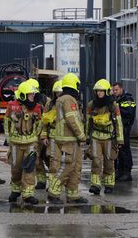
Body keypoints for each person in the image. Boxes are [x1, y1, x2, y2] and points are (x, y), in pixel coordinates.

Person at [45, 74, 88, 204]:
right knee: (68, 167)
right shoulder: (68, 99)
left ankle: (73, 194)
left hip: (68, 138)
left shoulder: (62, 98)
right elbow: (72, 119)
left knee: (76, 167)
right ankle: (54, 192)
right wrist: (82, 135)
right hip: (69, 138)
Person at [4, 81, 43, 204]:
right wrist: (9, 139)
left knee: (30, 169)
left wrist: (35, 138)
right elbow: (6, 123)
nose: (32, 96)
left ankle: (28, 194)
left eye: (32, 94)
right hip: (15, 144)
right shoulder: (12, 106)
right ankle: (15, 190)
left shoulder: (37, 107)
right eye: (30, 94)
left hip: (30, 144)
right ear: (23, 95)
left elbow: (39, 124)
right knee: (15, 168)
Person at [86, 79, 124, 195]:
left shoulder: (113, 105)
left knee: (109, 162)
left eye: (102, 91)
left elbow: (118, 122)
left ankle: (109, 185)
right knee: (96, 161)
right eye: (98, 91)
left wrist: (120, 139)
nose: (99, 93)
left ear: (107, 92)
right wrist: (87, 136)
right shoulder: (91, 105)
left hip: (109, 138)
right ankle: (95, 185)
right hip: (96, 137)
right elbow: (88, 121)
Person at [35, 80, 61, 190]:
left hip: (60, 137)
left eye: (60, 93)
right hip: (45, 136)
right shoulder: (49, 104)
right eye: (57, 93)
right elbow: (44, 122)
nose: (58, 95)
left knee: (53, 160)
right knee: (39, 158)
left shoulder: (67, 104)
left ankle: (53, 184)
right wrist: (44, 136)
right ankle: (43, 181)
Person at [112, 82, 136, 182]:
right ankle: (120, 171)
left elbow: (129, 113)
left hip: (125, 127)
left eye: (116, 90)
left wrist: (117, 108)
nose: (114, 92)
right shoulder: (116, 99)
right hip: (117, 127)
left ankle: (127, 172)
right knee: (119, 150)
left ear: (121, 89)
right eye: (113, 90)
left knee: (125, 150)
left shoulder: (128, 99)